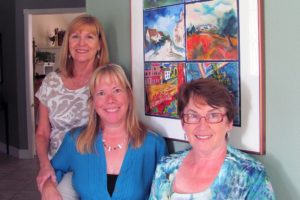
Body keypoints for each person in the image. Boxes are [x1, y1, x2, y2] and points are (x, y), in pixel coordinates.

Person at [41, 63, 168, 200]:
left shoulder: (153, 144)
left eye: (117, 90)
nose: (110, 100)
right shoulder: (75, 140)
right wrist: (48, 187)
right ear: (93, 102)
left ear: (129, 95)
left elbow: (165, 193)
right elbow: (52, 171)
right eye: (101, 93)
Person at [149, 78, 275, 199]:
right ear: (183, 122)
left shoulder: (251, 176)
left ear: (229, 122)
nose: (202, 125)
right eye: (193, 115)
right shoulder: (165, 166)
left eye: (213, 115)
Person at [35, 14, 109, 199]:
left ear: (99, 45)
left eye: (89, 37)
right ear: (68, 43)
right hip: (57, 167)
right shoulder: (51, 81)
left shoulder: (107, 81)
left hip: (94, 166)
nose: (81, 43)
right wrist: (45, 166)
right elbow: (42, 132)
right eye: (75, 36)